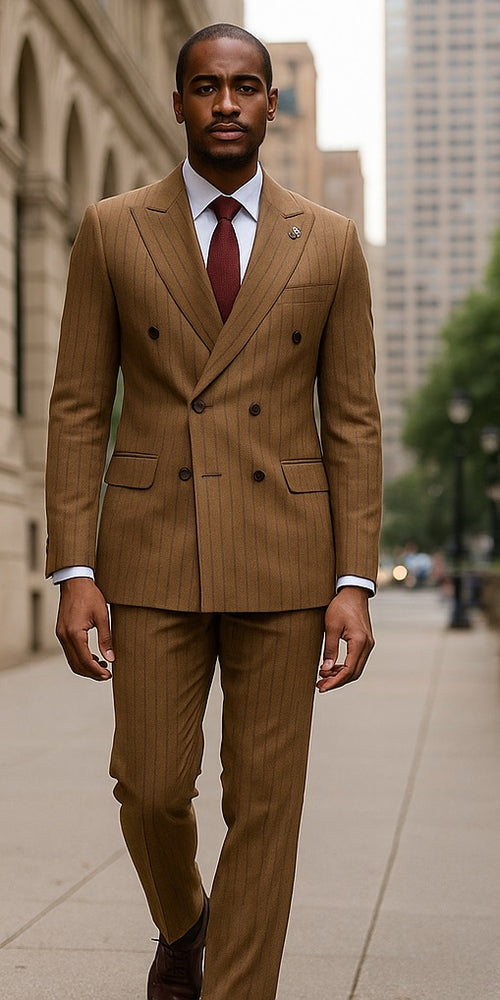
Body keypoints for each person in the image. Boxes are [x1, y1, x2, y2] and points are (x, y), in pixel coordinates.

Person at [45, 23, 382, 1000]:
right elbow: (76, 403)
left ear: (272, 104)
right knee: (149, 785)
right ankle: (183, 918)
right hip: (149, 548)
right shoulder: (113, 227)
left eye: (244, 87)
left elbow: (352, 419)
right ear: (180, 102)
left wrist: (352, 580)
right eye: (206, 86)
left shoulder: (326, 240)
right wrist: (73, 567)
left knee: (264, 805)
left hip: (284, 552)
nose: (225, 103)